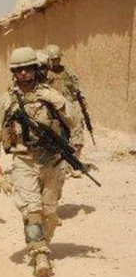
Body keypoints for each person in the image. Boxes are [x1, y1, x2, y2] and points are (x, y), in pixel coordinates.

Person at [0, 47, 76, 277]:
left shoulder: (51, 95)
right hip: (23, 160)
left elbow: (73, 121)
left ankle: (43, 241)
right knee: (32, 209)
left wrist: (75, 149)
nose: (24, 73)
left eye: (28, 68)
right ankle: (39, 254)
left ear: (36, 69)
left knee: (51, 212)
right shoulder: (8, 100)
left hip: (53, 160)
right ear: (14, 73)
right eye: (19, 70)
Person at [46, 44, 86, 178]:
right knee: (57, 138)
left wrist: (82, 104)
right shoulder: (43, 73)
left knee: (77, 134)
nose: (55, 61)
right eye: (53, 59)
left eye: (57, 59)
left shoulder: (68, 72)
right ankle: (60, 167)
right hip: (53, 109)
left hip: (70, 106)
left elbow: (77, 89)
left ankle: (74, 164)